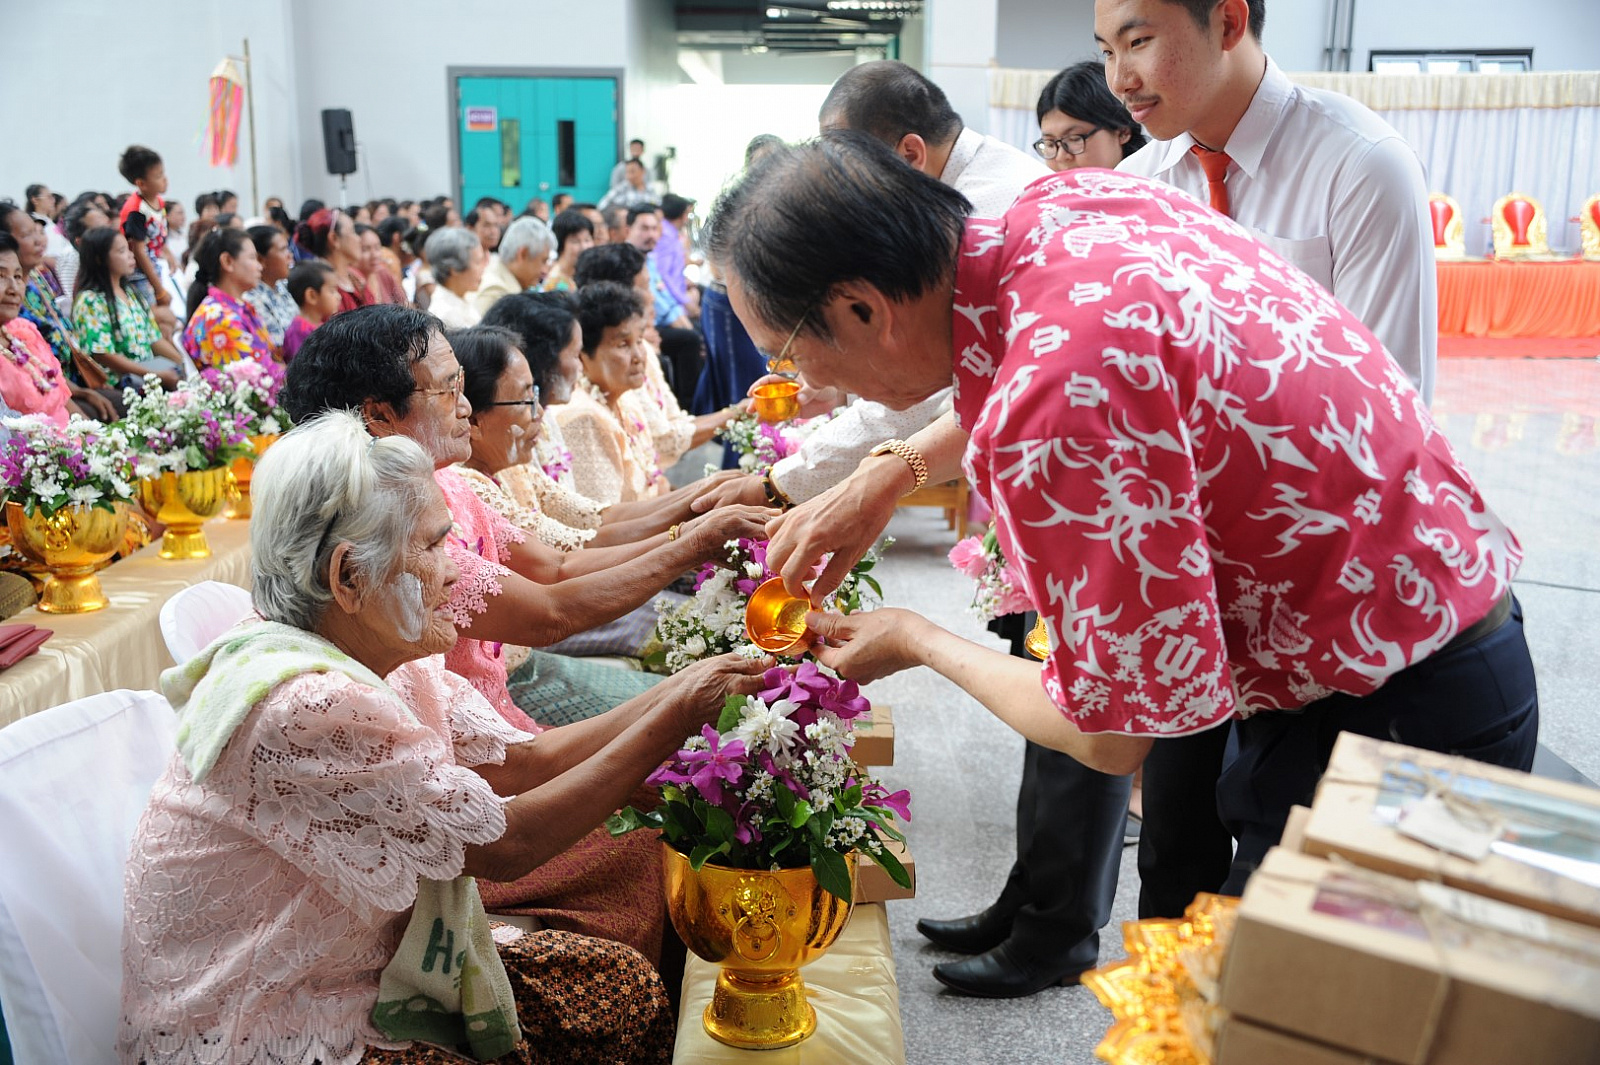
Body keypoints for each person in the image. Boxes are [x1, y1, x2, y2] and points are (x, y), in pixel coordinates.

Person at [713, 134, 1538, 960]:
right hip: (1419, 619)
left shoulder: (1053, 405)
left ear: (863, 308)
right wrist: (889, 472)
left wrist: (911, 636)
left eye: (789, 353)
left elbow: (1108, 734)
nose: (808, 384)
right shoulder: (1065, 209)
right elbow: (1042, 358)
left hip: (1398, 710)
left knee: (1278, 1007)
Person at [118, 408, 772, 1065]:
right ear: (348, 578)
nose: (456, 571)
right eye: (433, 548)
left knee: (619, 987)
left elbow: (526, 760)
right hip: (279, 1017)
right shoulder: (308, 703)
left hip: (370, 966)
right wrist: (680, 710)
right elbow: (508, 846)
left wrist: (686, 691)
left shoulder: (381, 656)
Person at [279, 305, 772, 732]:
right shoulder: (393, 521)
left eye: (463, 387)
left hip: (501, 698)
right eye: (448, 391)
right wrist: (692, 542)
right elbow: (549, 613)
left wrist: (695, 527)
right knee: (697, 724)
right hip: (474, 719)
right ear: (380, 416)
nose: (466, 409)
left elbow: (557, 566)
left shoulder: (447, 482)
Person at [1103, 0, 1436, 403]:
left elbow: (1386, 405)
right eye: (1107, 52)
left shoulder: (1362, 166)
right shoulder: (1133, 186)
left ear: (1228, 24)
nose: (1119, 82)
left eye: (1138, 42)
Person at [451, 324, 689, 656]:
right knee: (687, 628)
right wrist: (689, 540)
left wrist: (701, 504)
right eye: (526, 399)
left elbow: (598, 517)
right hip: (544, 629)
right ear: (473, 420)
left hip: (564, 606)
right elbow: (562, 564)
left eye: (536, 394)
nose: (539, 412)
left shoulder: (511, 467)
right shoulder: (468, 485)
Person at [481, 291, 742, 550]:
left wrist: (704, 496)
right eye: (575, 355)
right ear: (544, 363)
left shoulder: (547, 417)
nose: (580, 366)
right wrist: (691, 535)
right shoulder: (574, 418)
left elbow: (596, 515)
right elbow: (572, 553)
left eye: (640, 340)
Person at [571, 243, 738, 466]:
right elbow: (664, 440)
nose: (652, 298)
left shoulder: (641, 352)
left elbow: (672, 424)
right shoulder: (583, 413)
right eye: (644, 287)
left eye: (638, 340)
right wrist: (736, 413)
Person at [555, 283, 671, 505]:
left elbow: (656, 483)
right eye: (622, 344)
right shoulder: (581, 418)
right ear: (582, 354)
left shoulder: (625, 399)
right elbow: (607, 517)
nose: (638, 356)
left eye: (639, 341)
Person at [0, 232, 105, 423]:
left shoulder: (23, 330)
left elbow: (59, 400)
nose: (14, 288)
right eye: (1, 276)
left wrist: (91, 435)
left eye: (17, 276)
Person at [71, 227, 183, 387]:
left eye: (129, 249)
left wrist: (182, 364)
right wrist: (154, 375)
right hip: (120, 385)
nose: (131, 255)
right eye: (122, 251)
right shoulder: (90, 301)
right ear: (100, 259)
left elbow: (154, 339)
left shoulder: (131, 293)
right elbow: (104, 355)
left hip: (149, 378)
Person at [622, 205, 701, 410]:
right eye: (644, 228)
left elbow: (664, 293)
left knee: (698, 331)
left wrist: (682, 315)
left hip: (660, 320)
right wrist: (680, 320)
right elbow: (655, 301)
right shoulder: (626, 261)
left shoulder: (649, 258)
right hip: (645, 327)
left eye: (654, 228)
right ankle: (688, 407)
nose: (651, 235)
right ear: (628, 229)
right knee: (690, 340)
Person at [182, 227, 274, 371]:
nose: (260, 266)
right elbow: (257, 376)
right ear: (227, 262)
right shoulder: (220, 319)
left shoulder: (235, 307)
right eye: (252, 258)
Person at [1035, 60, 1147, 171]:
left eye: (1074, 139)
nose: (1061, 157)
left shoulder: (1151, 179)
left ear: (1123, 132)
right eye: (1050, 144)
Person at [116, 144, 173, 308]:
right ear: (141, 183)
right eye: (158, 176)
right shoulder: (136, 211)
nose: (165, 179)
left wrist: (169, 255)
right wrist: (159, 290)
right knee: (155, 312)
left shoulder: (158, 201)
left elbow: (158, 234)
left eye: (163, 173)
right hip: (139, 274)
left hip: (154, 267)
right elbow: (139, 252)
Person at [472, 217, 553, 316]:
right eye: (543, 261)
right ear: (523, 254)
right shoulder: (496, 292)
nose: (545, 270)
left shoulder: (503, 282)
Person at [295, 207, 369, 313]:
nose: (359, 239)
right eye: (352, 231)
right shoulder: (323, 288)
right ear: (334, 238)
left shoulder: (356, 277)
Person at [242, 224, 297, 350]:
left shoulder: (283, 285)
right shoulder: (252, 299)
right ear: (261, 259)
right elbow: (277, 349)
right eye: (283, 249)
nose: (290, 255)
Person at [423, 227, 485, 328]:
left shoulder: (464, 297)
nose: (483, 268)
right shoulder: (446, 315)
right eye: (477, 262)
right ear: (454, 269)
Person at [281, 260, 341, 363]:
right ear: (311, 296)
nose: (338, 296)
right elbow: (302, 367)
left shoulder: (321, 325)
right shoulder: (299, 331)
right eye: (332, 291)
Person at [653, 193, 695, 316]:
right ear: (681, 215)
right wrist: (685, 301)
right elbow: (663, 275)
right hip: (671, 305)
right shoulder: (665, 236)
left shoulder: (671, 233)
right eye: (687, 214)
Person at [542, 209, 594, 293]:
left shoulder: (587, 274)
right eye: (575, 241)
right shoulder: (555, 283)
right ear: (560, 244)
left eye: (587, 240)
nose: (584, 247)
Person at [356, 222, 408, 305]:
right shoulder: (351, 283)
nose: (374, 255)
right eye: (365, 249)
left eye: (377, 248)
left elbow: (404, 304)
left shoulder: (383, 273)